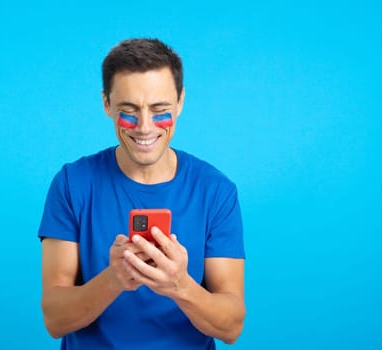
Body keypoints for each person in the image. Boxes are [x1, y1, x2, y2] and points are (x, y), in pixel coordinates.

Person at [38, 38, 246, 350]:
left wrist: (180, 285)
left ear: (180, 102)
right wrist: (114, 279)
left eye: (160, 109)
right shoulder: (72, 184)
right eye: (129, 110)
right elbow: (55, 319)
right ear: (106, 104)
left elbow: (231, 327)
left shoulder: (216, 192)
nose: (144, 127)